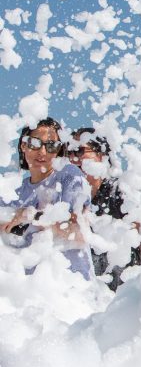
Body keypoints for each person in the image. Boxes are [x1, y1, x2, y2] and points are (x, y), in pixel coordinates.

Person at [0, 118, 93, 279]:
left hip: (72, 291)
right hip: (29, 291)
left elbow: (79, 231)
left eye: (51, 146)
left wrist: (31, 216)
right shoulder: (11, 194)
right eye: (34, 143)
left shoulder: (68, 176)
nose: (42, 152)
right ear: (23, 145)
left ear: (58, 151)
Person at [68, 128, 141, 291]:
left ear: (102, 156)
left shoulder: (121, 191)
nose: (73, 158)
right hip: (85, 298)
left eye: (79, 151)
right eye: (69, 152)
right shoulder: (69, 200)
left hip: (123, 296)